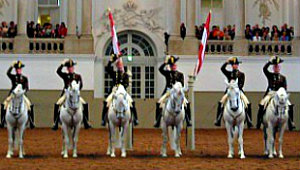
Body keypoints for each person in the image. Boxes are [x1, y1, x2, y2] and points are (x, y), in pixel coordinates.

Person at [256, 56, 295, 131]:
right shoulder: (270, 75)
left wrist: (282, 94)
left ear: (280, 68)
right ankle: (259, 121)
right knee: (262, 104)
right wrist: (269, 62)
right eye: (275, 67)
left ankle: (291, 122)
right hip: (271, 93)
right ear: (273, 68)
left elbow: (285, 88)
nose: (276, 68)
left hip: (279, 95)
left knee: (290, 105)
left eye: (278, 67)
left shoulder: (283, 78)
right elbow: (264, 69)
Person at [52, 59, 92, 130]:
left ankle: (86, 122)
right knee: (57, 104)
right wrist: (62, 64)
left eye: (71, 67)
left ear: (73, 68)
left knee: (84, 104)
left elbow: (81, 85)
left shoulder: (77, 76)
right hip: (66, 94)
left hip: (75, 95)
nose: (70, 68)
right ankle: (55, 122)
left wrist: (76, 91)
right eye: (68, 67)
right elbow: (58, 71)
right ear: (67, 68)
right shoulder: (65, 75)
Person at [153, 55, 192, 128]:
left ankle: (188, 119)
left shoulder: (180, 74)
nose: (173, 66)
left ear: (176, 66)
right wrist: (165, 63)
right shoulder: (167, 73)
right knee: (159, 102)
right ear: (170, 66)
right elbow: (160, 69)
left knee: (186, 103)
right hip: (168, 91)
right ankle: (157, 120)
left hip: (177, 92)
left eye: (174, 65)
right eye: (171, 65)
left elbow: (182, 85)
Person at [214, 57, 253, 128]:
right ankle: (218, 119)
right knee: (221, 102)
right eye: (233, 64)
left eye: (236, 64)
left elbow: (241, 84)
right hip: (229, 92)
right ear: (231, 66)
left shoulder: (241, 74)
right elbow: (222, 69)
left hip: (238, 91)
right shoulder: (229, 73)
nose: (234, 66)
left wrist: (235, 88)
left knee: (247, 103)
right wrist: (227, 62)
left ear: (238, 65)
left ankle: (249, 119)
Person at [101, 54, 139, 126]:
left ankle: (135, 119)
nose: (119, 66)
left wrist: (121, 86)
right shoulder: (114, 74)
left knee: (132, 103)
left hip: (123, 92)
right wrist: (111, 61)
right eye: (118, 65)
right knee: (106, 102)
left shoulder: (125, 75)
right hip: (114, 92)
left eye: (120, 64)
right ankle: (103, 119)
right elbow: (107, 69)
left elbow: (127, 83)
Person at [0, 61, 35, 129]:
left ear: (21, 70)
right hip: (13, 95)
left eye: (19, 69)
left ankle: (31, 122)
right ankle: (2, 121)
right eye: (17, 69)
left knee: (29, 105)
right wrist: (11, 66)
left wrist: (22, 92)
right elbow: (8, 73)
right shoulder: (13, 77)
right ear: (15, 70)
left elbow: (27, 88)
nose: (18, 70)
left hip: (21, 95)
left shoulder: (24, 78)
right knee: (4, 105)